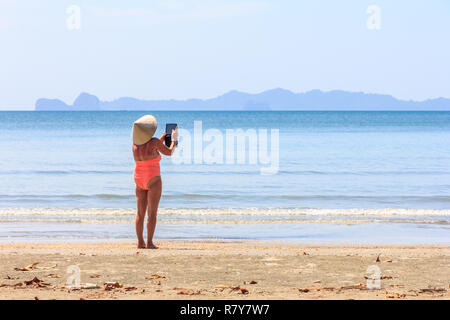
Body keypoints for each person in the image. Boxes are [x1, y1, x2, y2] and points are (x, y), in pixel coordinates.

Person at [132, 115, 178, 249]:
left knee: (140, 213)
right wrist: (173, 140)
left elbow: (150, 147)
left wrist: (162, 139)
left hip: (139, 179)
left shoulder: (135, 145)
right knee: (152, 213)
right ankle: (149, 243)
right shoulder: (154, 142)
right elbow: (169, 152)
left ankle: (140, 242)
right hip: (153, 179)